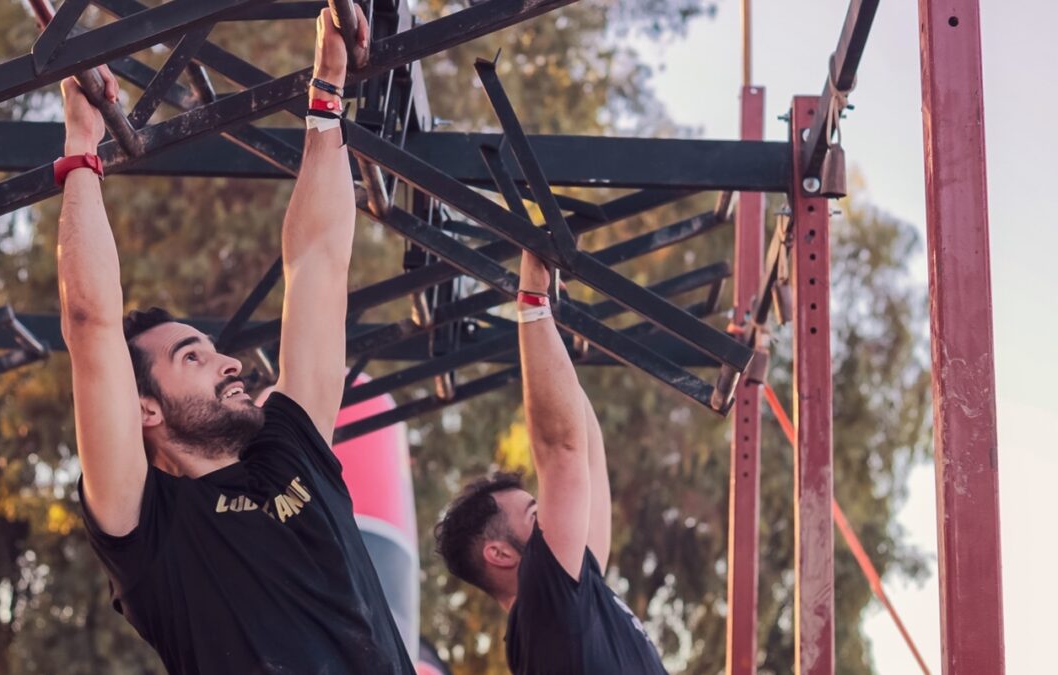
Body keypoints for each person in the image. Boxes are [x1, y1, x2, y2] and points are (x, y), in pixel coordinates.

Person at [58, 7, 415, 674]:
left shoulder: (290, 445)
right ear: (146, 409)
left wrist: (329, 88)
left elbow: (317, 259)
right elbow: (90, 324)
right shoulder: (149, 529)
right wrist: (83, 148)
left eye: (211, 347)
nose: (229, 362)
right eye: (192, 357)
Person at [434, 252, 669, 675]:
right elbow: (561, 449)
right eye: (536, 514)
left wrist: (550, 325)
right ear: (500, 554)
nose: (551, 517)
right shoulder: (546, 610)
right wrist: (531, 303)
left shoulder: (574, 597)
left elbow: (586, 453)